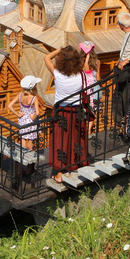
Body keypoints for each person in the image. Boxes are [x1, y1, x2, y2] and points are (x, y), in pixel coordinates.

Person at [44, 46, 86, 183]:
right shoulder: (81, 74)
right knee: (75, 139)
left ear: (61, 60)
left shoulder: (57, 74)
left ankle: (59, 172)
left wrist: (59, 50)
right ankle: (76, 165)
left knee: (60, 141)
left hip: (62, 112)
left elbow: (46, 58)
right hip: (77, 112)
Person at [80, 41, 100, 134]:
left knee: (85, 109)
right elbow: (98, 78)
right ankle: (89, 131)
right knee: (93, 110)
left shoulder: (81, 63)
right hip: (95, 89)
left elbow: (86, 70)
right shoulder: (97, 62)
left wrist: (86, 58)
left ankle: (85, 130)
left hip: (85, 89)